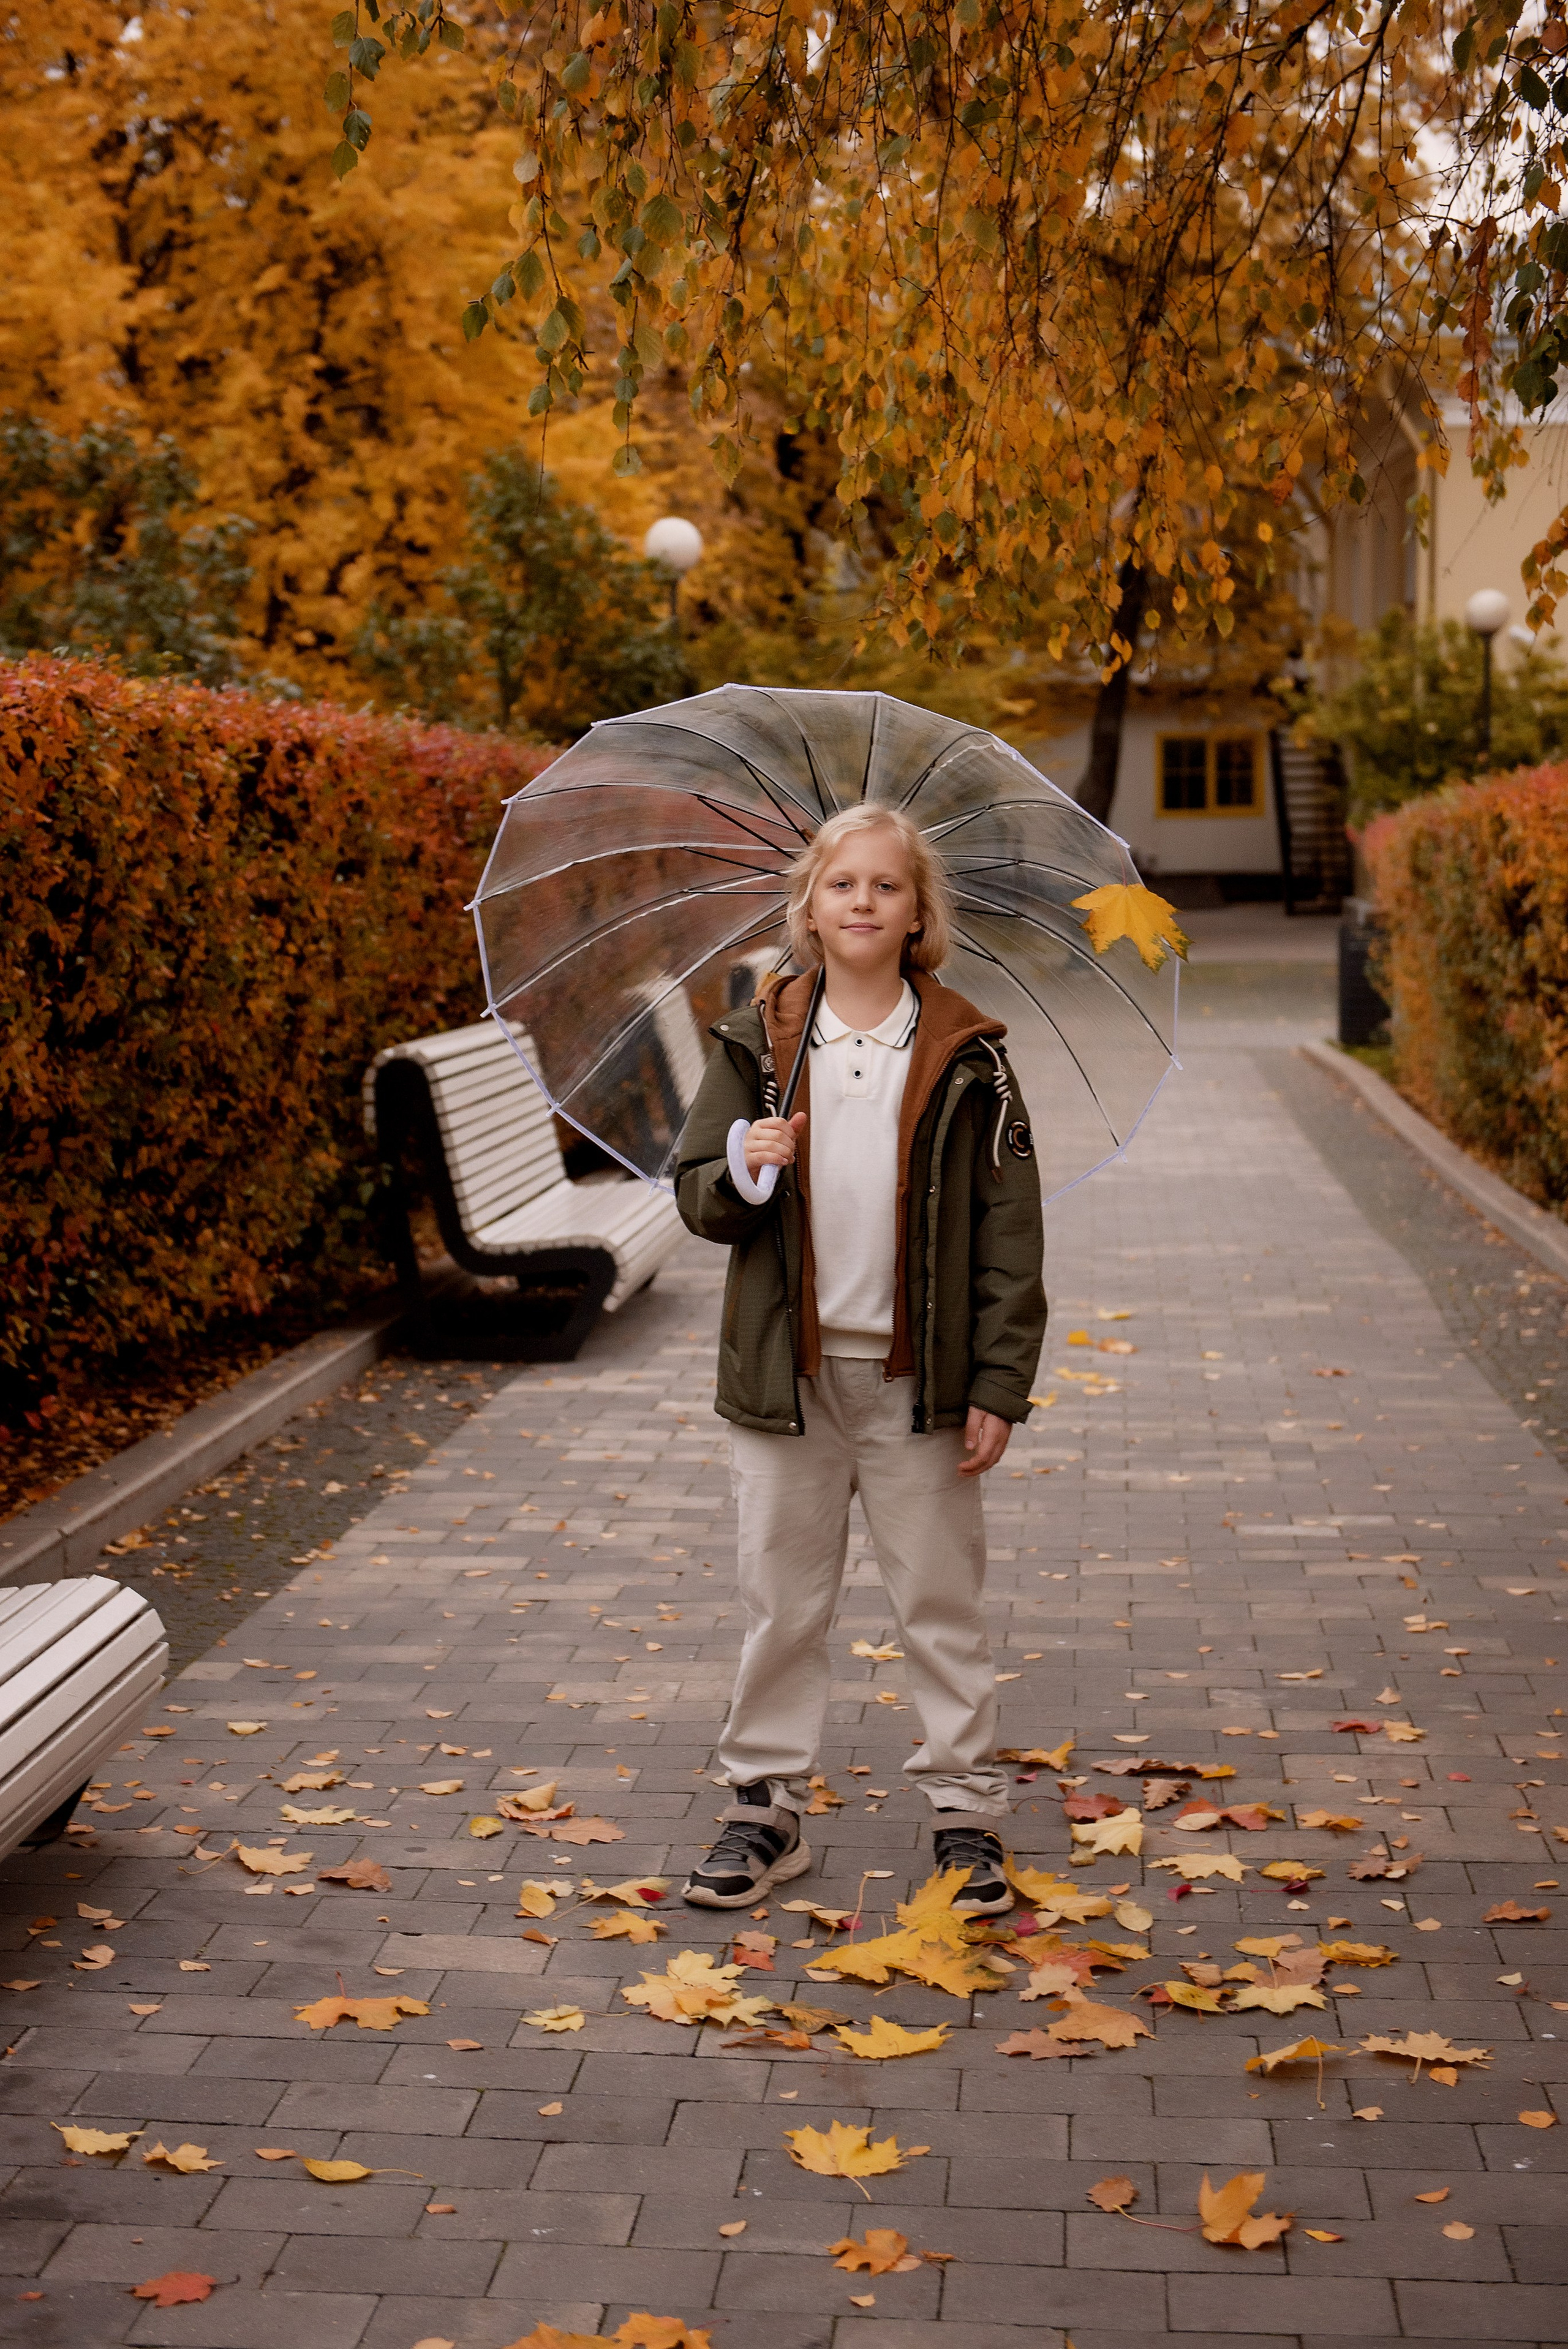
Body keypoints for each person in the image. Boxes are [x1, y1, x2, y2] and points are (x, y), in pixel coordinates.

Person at [673, 803, 1047, 1915]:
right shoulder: (758, 1044)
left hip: (916, 1385)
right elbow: (699, 1194)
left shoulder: (970, 1057)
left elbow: (1010, 1231)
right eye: (844, 886)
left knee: (939, 1600)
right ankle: (763, 1805)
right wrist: (748, 1166)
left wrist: (998, 1383)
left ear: (919, 911)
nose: (864, 903)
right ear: (810, 907)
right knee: (783, 1604)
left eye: (887, 887)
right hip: (785, 1380)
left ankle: (967, 1811)